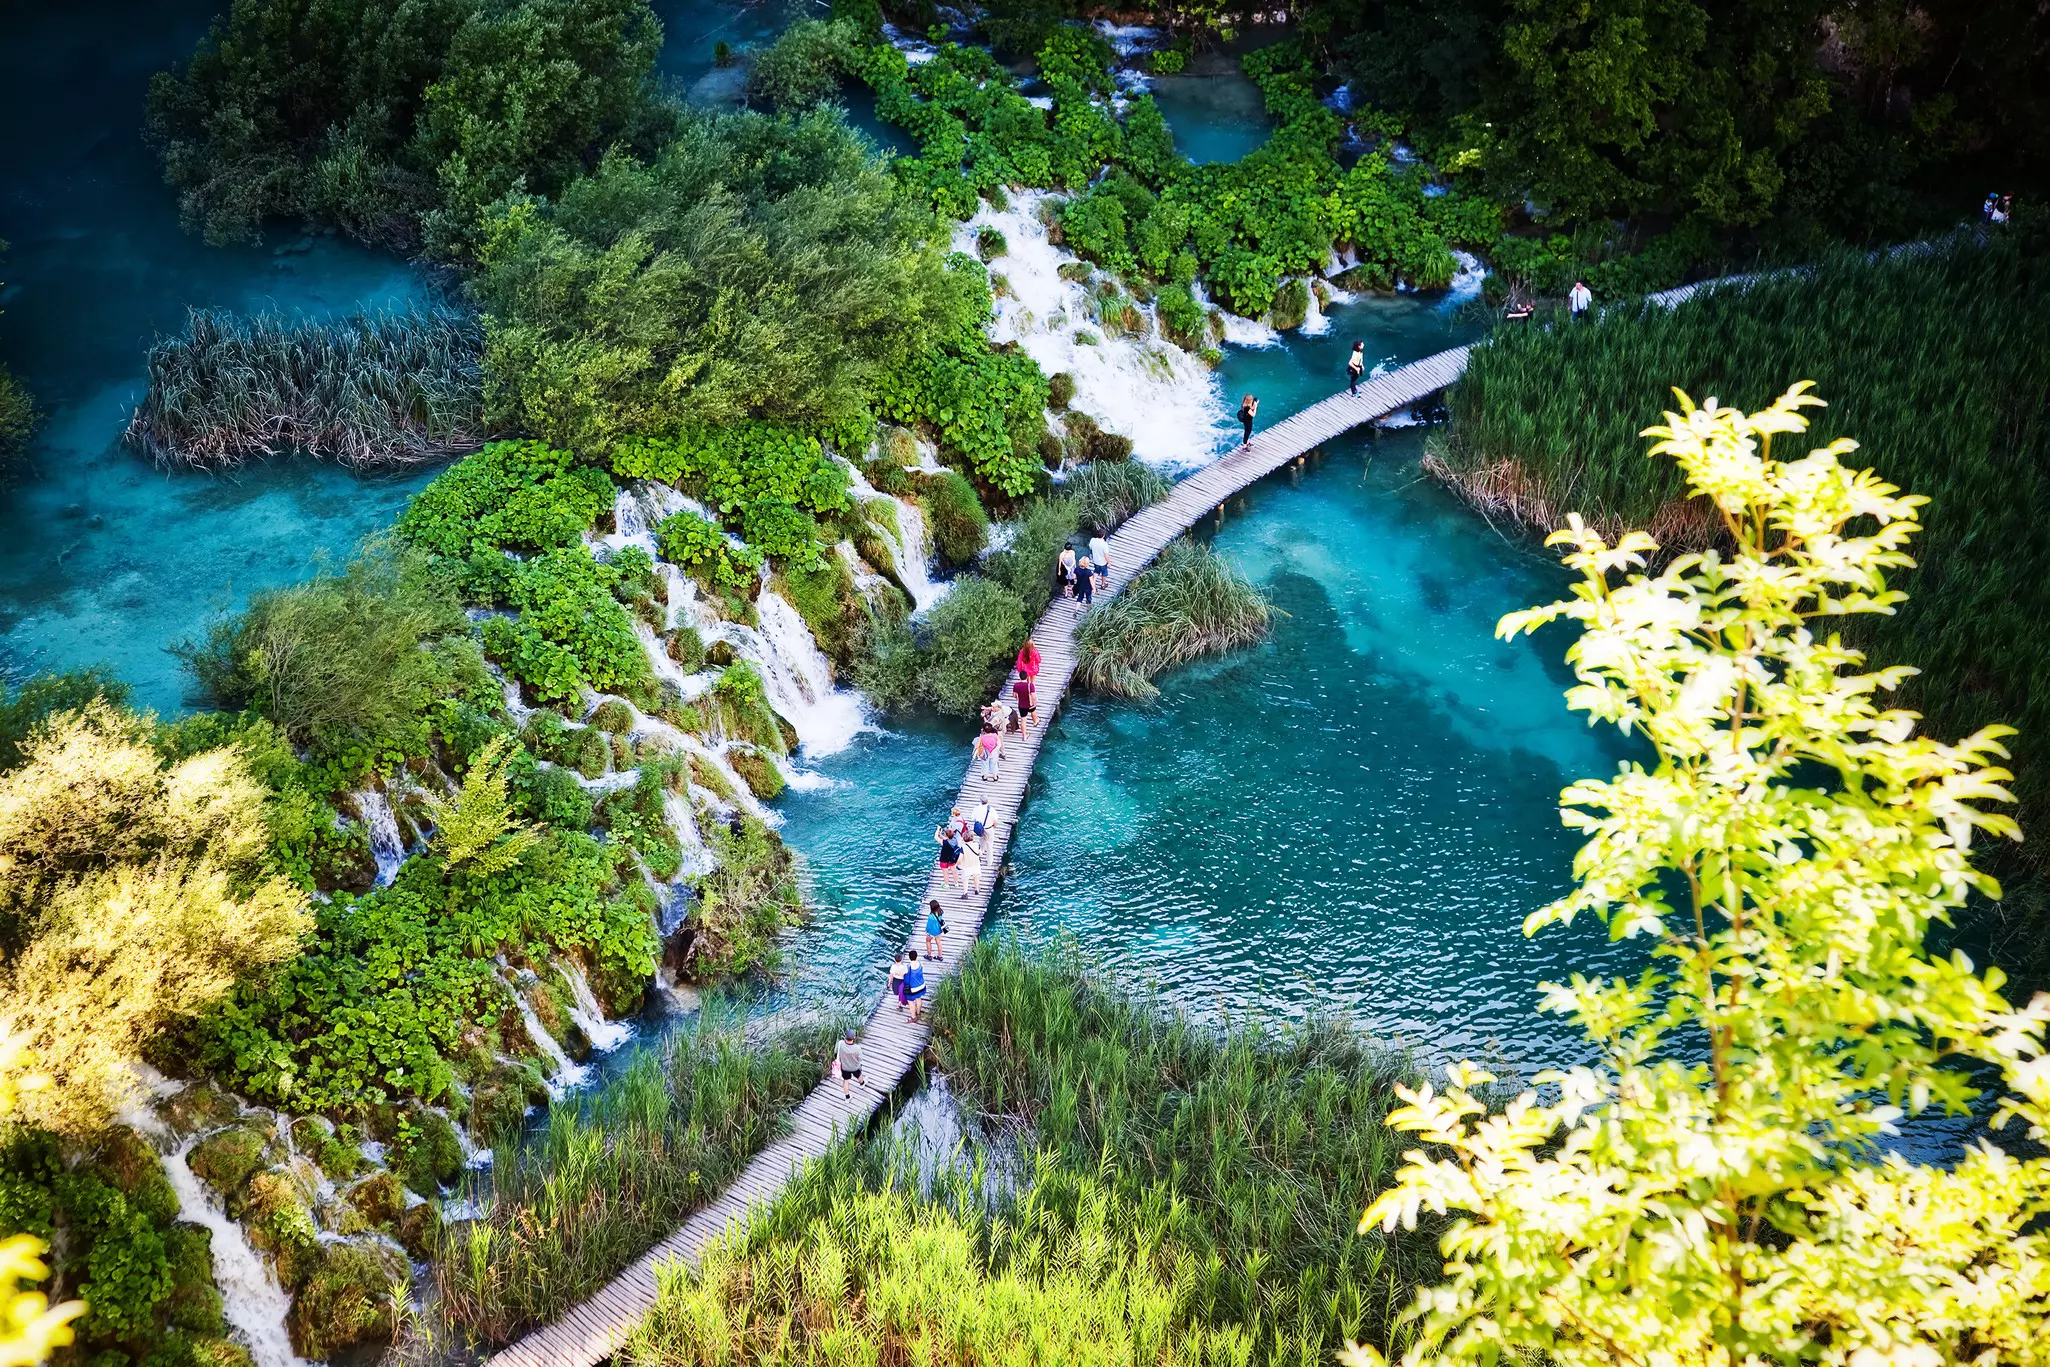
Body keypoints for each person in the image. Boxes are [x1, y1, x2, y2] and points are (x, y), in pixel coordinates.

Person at [833, 1030, 864, 1099]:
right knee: (859, 1075)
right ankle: (862, 1084)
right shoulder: (857, 1048)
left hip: (844, 1067)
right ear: (854, 1038)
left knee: (846, 1081)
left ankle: (847, 1097)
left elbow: (835, 1052)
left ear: (845, 1036)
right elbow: (860, 1059)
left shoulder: (840, 1044)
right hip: (855, 1067)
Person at [936, 822, 963, 887]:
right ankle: (956, 883)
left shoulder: (944, 842)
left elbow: (936, 837)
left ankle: (946, 884)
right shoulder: (955, 840)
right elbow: (947, 838)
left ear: (946, 835)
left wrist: (938, 830)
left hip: (944, 859)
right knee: (954, 871)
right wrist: (941, 835)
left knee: (945, 872)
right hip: (952, 858)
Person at [903, 951, 927, 1022]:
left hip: (913, 988)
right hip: (921, 986)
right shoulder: (920, 964)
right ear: (916, 956)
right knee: (918, 999)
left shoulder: (907, 967)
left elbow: (902, 975)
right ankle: (918, 1013)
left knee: (911, 1002)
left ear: (909, 957)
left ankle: (913, 1017)